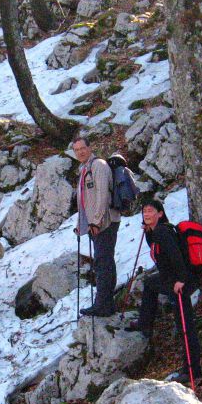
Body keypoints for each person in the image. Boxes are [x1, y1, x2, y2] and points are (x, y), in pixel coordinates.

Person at [128, 199, 202, 382]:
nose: (146, 214)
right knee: (150, 284)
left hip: (179, 282)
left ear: (160, 214)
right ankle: (145, 323)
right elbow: (158, 254)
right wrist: (147, 233)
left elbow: (176, 257)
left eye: (150, 211)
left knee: (185, 325)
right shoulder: (155, 232)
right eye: (144, 211)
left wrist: (180, 280)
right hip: (169, 278)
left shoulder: (163, 232)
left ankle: (192, 370)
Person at [72, 136, 120, 317]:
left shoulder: (98, 166)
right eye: (76, 150)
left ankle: (103, 306)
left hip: (105, 223)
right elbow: (84, 202)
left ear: (89, 147)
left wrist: (97, 221)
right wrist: (81, 225)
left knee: (103, 263)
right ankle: (106, 304)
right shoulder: (85, 168)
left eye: (82, 148)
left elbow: (103, 196)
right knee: (103, 263)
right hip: (95, 224)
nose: (80, 152)